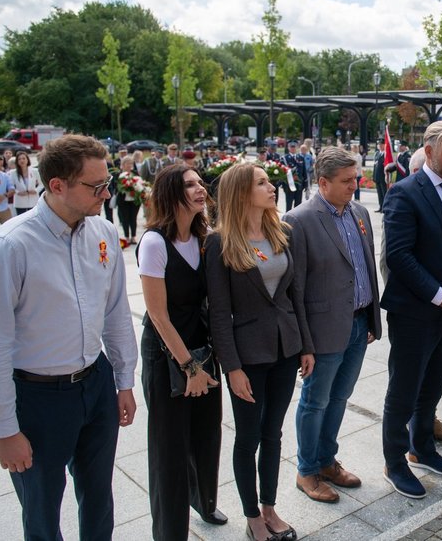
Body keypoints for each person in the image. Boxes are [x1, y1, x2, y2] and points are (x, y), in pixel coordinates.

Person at [0, 135, 137, 540]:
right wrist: (5, 429)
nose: (107, 194)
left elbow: (115, 312)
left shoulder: (104, 232)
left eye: (107, 182)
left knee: (99, 498)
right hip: (37, 397)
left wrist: (124, 381)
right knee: (42, 510)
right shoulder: (13, 245)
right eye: (96, 186)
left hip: (95, 383)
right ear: (57, 185)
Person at [205, 162, 313, 541]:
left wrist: (306, 345)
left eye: (270, 181)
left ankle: (269, 508)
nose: (272, 187)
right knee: (248, 437)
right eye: (262, 183)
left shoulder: (282, 231)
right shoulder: (219, 242)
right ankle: (252, 516)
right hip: (247, 355)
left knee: (273, 434)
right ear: (241, 192)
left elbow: (295, 295)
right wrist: (231, 368)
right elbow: (219, 313)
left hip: (286, 347)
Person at [381, 120, 442, 499]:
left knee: (433, 385)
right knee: (403, 391)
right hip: (414, 312)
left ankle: (421, 448)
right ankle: (394, 462)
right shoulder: (404, 193)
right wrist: (440, 295)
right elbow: (399, 256)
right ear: (430, 151)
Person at [286, 147, 381, 504]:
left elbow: (366, 267)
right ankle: (306, 470)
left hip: (358, 323)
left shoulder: (359, 213)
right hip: (322, 331)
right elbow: (295, 288)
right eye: (346, 181)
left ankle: (327, 460)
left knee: (340, 397)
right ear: (323, 183)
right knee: (315, 401)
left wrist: (370, 317)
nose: (354, 186)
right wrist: (304, 343)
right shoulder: (299, 220)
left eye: (355, 179)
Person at [137, 163, 225, 539]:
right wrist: (189, 368)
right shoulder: (154, 243)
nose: (200, 189)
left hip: (202, 348)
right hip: (167, 353)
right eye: (190, 185)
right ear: (171, 193)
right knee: (169, 448)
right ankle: (170, 531)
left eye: (200, 183)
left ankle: (203, 500)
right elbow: (158, 315)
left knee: (207, 434)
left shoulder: (204, 237)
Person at [116, 155, 142, 244]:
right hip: (123, 201)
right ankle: (126, 237)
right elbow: (116, 187)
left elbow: (140, 183)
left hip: (134, 200)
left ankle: (133, 237)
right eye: (127, 163)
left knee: (133, 218)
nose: (129, 165)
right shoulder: (118, 174)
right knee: (125, 219)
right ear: (123, 164)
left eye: (131, 163)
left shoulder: (135, 173)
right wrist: (125, 186)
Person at [8, 151, 41, 216]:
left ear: (27, 160)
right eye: (19, 159)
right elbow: (11, 186)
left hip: (33, 200)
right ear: (17, 161)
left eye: (23, 158)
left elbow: (42, 184)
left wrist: (36, 190)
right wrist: (17, 192)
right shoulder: (13, 173)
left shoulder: (35, 171)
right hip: (20, 202)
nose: (22, 160)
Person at [284, 140, 306, 211]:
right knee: (289, 206)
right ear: (288, 147)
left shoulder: (301, 157)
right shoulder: (285, 158)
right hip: (289, 186)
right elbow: (283, 173)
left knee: (298, 206)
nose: (293, 148)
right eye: (291, 147)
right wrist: (284, 185)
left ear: (297, 147)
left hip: (299, 185)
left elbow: (304, 171)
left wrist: (305, 184)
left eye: (294, 147)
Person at [372, 140, 388, 211]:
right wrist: (374, 176)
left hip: (383, 177)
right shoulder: (377, 154)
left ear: (384, 145)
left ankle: (385, 207)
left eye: (381, 144)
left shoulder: (386, 154)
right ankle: (380, 206)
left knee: (384, 193)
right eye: (379, 144)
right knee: (379, 193)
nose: (380, 146)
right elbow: (375, 166)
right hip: (377, 176)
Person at [0, 157, 12, 224]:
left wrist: (4, 196)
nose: (0, 167)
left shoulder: (5, 176)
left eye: (1, 165)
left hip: (4, 209)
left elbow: (12, 190)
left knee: (9, 228)